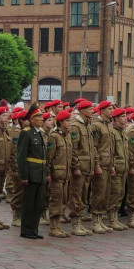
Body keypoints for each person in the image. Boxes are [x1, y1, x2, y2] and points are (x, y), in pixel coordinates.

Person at [17, 104, 46, 240]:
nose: (41, 119)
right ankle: (26, 229)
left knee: (38, 203)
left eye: (41, 116)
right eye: (38, 117)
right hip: (30, 173)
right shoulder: (26, 133)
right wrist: (23, 176)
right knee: (28, 203)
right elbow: (21, 156)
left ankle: (34, 229)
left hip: (40, 173)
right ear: (31, 119)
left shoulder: (39, 133)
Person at [68, 100, 97, 235]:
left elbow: (92, 147)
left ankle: (79, 222)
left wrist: (94, 165)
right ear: (82, 110)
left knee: (84, 196)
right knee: (76, 196)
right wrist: (76, 166)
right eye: (89, 109)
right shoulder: (76, 126)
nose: (92, 111)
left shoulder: (88, 125)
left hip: (87, 167)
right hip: (79, 168)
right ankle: (75, 224)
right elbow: (73, 148)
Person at [45, 109, 72, 238]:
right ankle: (53, 227)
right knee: (56, 200)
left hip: (65, 175)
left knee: (63, 200)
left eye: (70, 120)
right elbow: (49, 157)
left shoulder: (67, 136)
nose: (69, 123)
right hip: (56, 174)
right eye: (67, 120)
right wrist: (48, 173)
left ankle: (58, 226)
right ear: (60, 122)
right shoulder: (54, 136)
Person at [90, 101, 115, 232]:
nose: (112, 111)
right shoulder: (96, 126)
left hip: (108, 163)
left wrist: (112, 165)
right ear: (102, 110)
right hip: (100, 164)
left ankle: (100, 219)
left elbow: (110, 148)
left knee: (105, 194)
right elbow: (94, 147)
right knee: (98, 193)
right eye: (109, 109)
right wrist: (97, 165)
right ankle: (95, 221)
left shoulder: (108, 125)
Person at [108, 108, 130, 230]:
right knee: (115, 193)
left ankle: (115, 217)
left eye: (125, 116)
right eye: (122, 117)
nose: (125, 118)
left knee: (121, 193)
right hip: (116, 168)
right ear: (115, 119)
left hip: (123, 168)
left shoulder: (123, 132)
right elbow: (110, 151)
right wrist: (112, 166)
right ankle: (112, 219)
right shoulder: (112, 132)